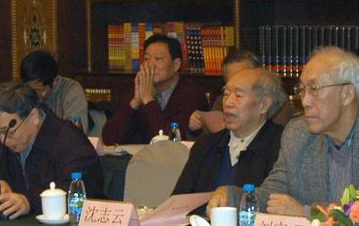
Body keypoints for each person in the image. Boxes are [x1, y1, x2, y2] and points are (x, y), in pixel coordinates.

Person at [238, 47, 359, 216]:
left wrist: (306, 212)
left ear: (347, 94)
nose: (305, 101)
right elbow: (273, 193)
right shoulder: (298, 133)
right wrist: (232, 199)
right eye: (302, 90)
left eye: (314, 89)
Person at [0, 84, 104, 219]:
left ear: (34, 117)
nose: (4, 140)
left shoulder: (70, 141)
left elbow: (81, 190)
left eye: (7, 132)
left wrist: (30, 201)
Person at [172, 66, 286, 196]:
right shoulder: (205, 146)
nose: (228, 103)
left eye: (238, 96)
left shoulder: (282, 147)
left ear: (264, 105)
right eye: (226, 94)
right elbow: (178, 200)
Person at [101, 33, 209, 144]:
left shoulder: (192, 95)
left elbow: (171, 141)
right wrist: (134, 103)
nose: (150, 65)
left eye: (158, 59)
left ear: (176, 65)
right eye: (146, 58)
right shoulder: (138, 89)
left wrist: (148, 100)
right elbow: (110, 139)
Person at [189, 49, 293, 134]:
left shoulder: (276, 101)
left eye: (244, 76)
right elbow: (209, 135)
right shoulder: (222, 101)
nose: (229, 102)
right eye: (232, 79)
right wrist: (197, 126)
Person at [20, 49, 89, 130]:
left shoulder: (72, 90)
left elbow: (74, 132)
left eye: (39, 90)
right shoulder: (24, 93)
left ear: (55, 80)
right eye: (31, 90)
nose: (35, 95)